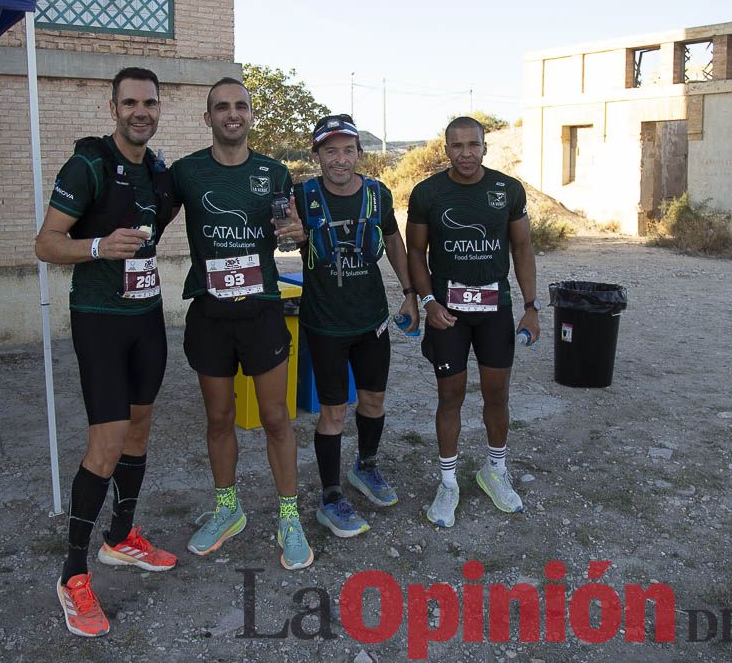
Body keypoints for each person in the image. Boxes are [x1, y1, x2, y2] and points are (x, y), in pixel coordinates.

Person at [36, 67, 179, 637]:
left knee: (141, 429)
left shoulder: (160, 173)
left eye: (149, 103)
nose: (140, 111)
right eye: (130, 103)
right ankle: (72, 573)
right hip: (99, 320)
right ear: (113, 106)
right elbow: (45, 243)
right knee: (107, 442)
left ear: (159, 108)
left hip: (147, 317)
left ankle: (121, 538)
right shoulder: (88, 164)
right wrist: (98, 245)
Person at [170, 77, 314, 570]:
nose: (233, 114)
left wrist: (297, 233)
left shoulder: (273, 173)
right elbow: (146, 214)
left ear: (252, 116)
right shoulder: (186, 173)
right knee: (218, 418)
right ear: (207, 117)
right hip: (210, 315)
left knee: (277, 418)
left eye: (241, 107)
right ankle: (228, 509)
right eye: (222, 107)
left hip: (262, 312)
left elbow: (291, 232)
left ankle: (289, 516)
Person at [406, 115, 541, 528]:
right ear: (445, 149)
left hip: (494, 309)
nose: (466, 153)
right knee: (451, 397)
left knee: (497, 396)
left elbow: (522, 247)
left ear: (485, 147)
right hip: (448, 314)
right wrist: (428, 301)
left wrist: (531, 306)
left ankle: (494, 471)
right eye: (457, 145)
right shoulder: (428, 193)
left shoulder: (507, 189)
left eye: (473, 144)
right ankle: (448, 483)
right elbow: (415, 253)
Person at [294, 115, 418, 538]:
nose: (340, 159)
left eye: (348, 150)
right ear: (318, 156)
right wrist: (288, 233)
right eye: (330, 151)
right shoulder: (302, 195)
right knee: (332, 413)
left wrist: (410, 292)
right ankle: (330, 496)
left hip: (371, 320)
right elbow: (281, 234)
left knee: (374, 401)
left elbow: (394, 241)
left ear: (360, 154)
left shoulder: (378, 194)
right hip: (325, 323)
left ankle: (366, 467)